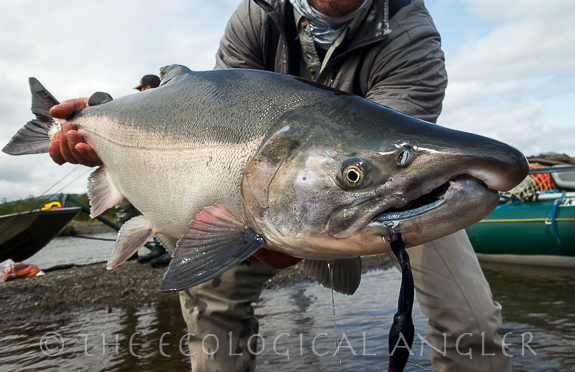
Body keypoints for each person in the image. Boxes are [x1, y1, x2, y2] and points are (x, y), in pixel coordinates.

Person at [47, 0, 510, 371]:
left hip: (392, 200)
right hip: (247, 189)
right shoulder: (256, 15)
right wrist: (101, 127)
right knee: (213, 304)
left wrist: (320, 210)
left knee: (472, 323)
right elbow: (212, 106)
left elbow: (383, 159)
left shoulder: (411, 33)